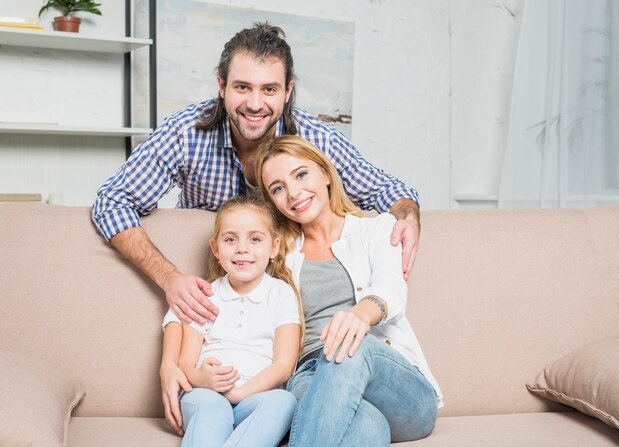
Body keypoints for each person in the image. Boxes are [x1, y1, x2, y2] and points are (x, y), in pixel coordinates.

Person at [91, 22, 422, 333]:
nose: (254, 103)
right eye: (242, 87)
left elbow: (388, 190)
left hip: (288, 302)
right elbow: (112, 201)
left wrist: (407, 215)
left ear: (287, 91)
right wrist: (169, 278)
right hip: (220, 292)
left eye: (269, 89)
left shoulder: (314, 138)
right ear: (221, 85)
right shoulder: (185, 132)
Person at [161, 135, 443, 444]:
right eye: (278, 188)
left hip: (394, 386)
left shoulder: (376, 229)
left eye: (301, 174)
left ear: (325, 173)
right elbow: (209, 300)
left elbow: (392, 290)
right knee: (370, 428)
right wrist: (170, 365)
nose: (294, 192)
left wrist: (360, 315)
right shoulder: (274, 250)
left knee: (350, 343)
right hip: (313, 379)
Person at [162, 196, 303, 446]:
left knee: (285, 402)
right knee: (212, 408)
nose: (242, 248)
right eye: (230, 239)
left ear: (274, 248)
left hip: (256, 396)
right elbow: (184, 362)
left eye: (255, 239)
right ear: (216, 249)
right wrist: (200, 378)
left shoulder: (281, 294)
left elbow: (283, 365)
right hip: (206, 394)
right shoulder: (204, 296)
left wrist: (239, 392)